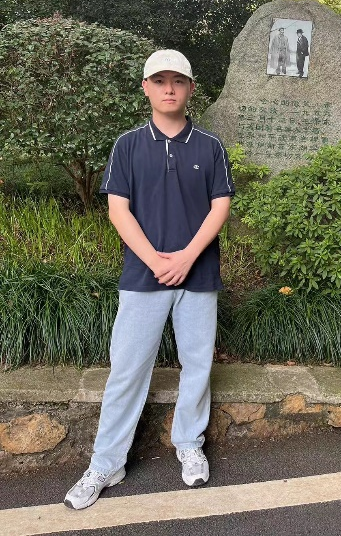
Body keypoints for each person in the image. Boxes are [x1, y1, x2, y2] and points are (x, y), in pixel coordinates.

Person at [64, 49, 235, 510]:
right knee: (127, 370)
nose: (169, 88)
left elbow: (220, 205)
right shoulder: (128, 145)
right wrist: (157, 261)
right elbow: (118, 209)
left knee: (197, 365)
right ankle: (106, 463)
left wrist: (187, 257)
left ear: (191, 88)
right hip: (143, 277)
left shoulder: (210, 146)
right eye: (159, 80)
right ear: (146, 88)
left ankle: (190, 444)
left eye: (177, 81)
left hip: (198, 276)